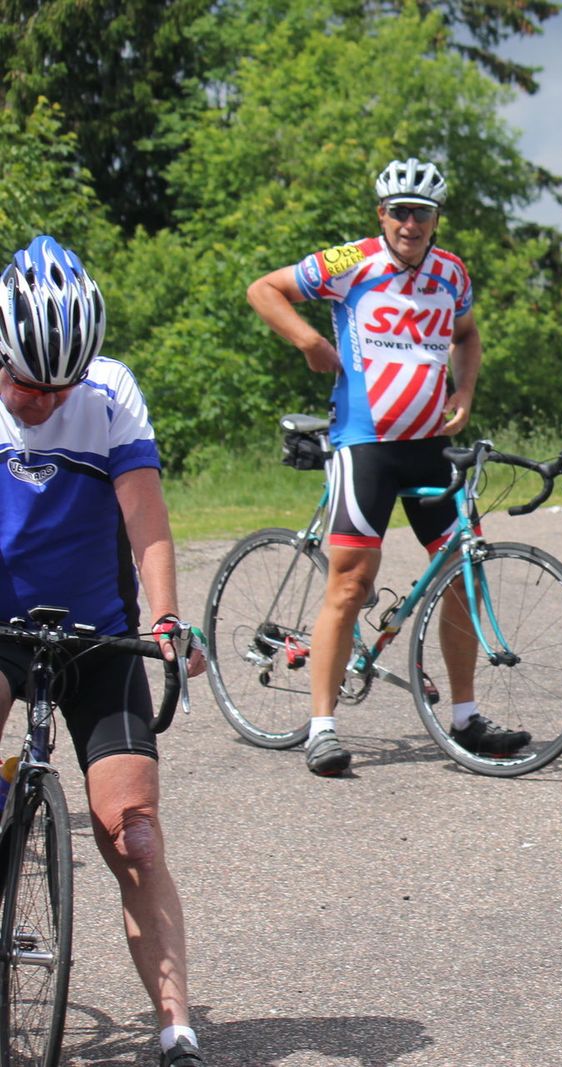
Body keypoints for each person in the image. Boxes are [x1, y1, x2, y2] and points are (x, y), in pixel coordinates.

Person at [246, 157, 531, 776]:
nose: (410, 223)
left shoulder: (451, 272)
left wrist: (464, 390)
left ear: (435, 219)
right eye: (399, 211)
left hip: (429, 444)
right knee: (351, 582)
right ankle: (322, 729)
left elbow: (467, 335)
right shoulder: (351, 261)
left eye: (421, 213)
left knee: (462, 572)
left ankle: (466, 718)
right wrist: (308, 341)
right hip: (365, 443)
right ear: (382, 214)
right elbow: (264, 290)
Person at [0, 236, 208, 1067]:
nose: (43, 402)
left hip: (98, 633)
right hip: (1, 629)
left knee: (134, 835)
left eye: (59, 388)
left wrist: (167, 619)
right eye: (26, 384)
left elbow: (144, 516)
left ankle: (177, 1026)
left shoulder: (110, 389)